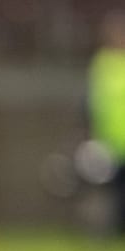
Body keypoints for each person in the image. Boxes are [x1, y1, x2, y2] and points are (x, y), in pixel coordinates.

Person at [87, 10, 125, 234]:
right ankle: (109, 232)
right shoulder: (103, 64)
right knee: (111, 192)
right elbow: (91, 102)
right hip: (110, 142)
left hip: (113, 140)